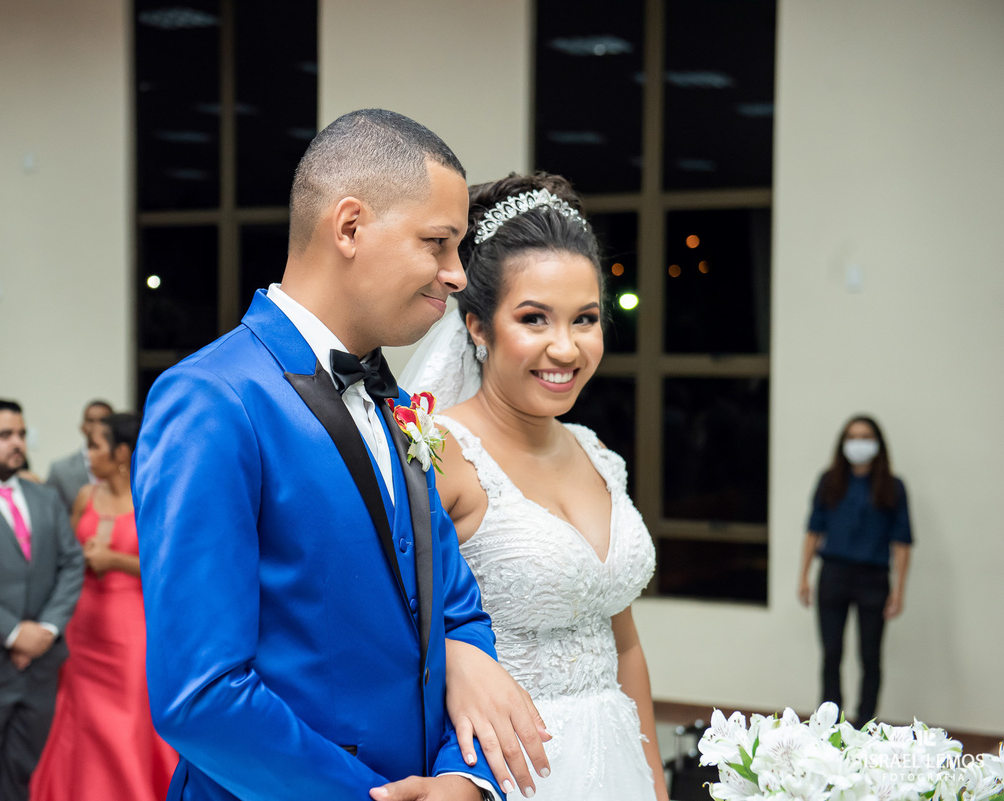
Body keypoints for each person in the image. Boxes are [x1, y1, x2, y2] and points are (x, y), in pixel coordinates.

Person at [134, 109, 552, 801]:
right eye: (439, 243)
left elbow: (457, 611)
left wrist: (462, 775)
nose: (456, 275)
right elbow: (200, 694)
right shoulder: (213, 399)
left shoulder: (397, 405)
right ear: (350, 226)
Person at [402, 172, 669, 800]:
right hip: (505, 773)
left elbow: (623, 644)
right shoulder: (438, 456)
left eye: (584, 319)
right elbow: (393, 637)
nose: (565, 347)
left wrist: (654, 781)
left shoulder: (598, 455)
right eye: (534, 319)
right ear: (477, 327)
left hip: (616, 764)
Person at [31, 412, 177, 801]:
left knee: (126, 723)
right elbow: (67, 556)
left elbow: (168, 569)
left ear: (121, 452)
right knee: (80, 723)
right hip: (83, 629)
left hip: (129, 631)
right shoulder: (85, 496)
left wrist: (114, 561)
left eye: (95, 445)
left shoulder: (151, 496)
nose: (88, 454)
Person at [0, 399, 85, 801]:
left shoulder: (43, 495)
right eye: (4, 435)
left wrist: (45, 629)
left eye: (21, 434)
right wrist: (11, 633)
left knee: (30, 773)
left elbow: (72, 562)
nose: (17, 443)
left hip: (41, 663)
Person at [798, 415, 912, 727]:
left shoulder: (892, 486)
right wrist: (803, 577)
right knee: (831, 653)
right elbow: (813, 530)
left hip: (873, 577)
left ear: (877, 444)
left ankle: (866, 724)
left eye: (865, 437)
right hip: (834, 573)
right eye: (852, 437)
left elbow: (902, 541)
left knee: (870, 656)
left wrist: (899, 589)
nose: (858, 443)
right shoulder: (830, 481)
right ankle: (830, 723)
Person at [46, 399, 113, 512]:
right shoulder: (60, 470)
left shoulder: (126, 467)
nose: (96, 426)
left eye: (103, 421)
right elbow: (50, 514)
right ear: (82, 427)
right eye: (90, 421)